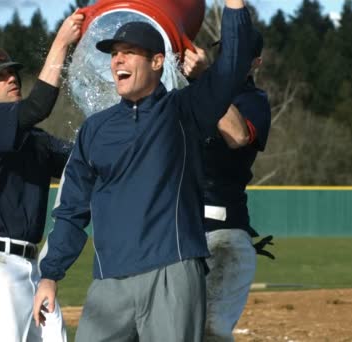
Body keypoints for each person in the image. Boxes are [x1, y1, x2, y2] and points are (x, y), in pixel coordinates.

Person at [33, 1, 256, 341]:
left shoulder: (184, 111)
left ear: (157, 61)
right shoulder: (96, 130)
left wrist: (234, 5)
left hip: (172, 272)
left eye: (129, 52)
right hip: (110, 282)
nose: (117, 60)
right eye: (114, 53)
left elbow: (231, 67)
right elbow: (72, 209)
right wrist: (50, 275)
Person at [0, 11, 84, 342]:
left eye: (12, 72)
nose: (11, 77)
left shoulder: (34, 139)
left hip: (35, 268)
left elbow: (85, 160)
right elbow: (38, 106)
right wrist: (61, 43)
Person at [183, 29, 274, 342]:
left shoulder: (254, 100)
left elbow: (237, 135)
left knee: (209, 333)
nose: (230, 58)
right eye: (226, 51)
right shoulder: (190, 90)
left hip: (221, 232)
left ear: (256, 62)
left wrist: (207, 79)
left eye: (240, 53)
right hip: (177, 230)